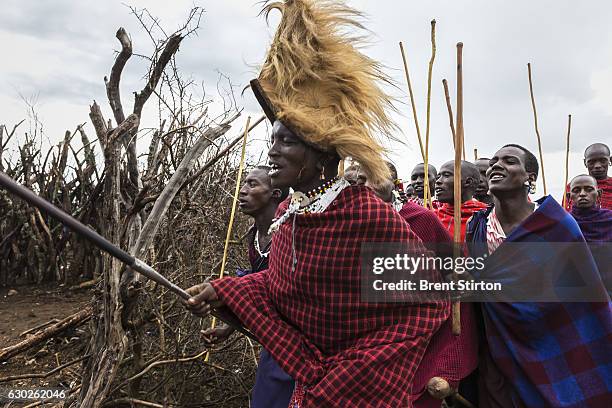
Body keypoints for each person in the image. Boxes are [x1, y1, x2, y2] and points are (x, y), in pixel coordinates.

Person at [185, 1, 449, 406]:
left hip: (358, 389)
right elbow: (280, 286)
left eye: (286, 141)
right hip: (310, 386)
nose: (272, 153)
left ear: (321, 154)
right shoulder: (292, 219)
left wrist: (359, 369)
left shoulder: (364, 212)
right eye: (272, 140)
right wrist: (224, 292)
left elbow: (430, 302)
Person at [465, 144, 611, 407]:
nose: (497, 165)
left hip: (554, 346)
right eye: (495, 161)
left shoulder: (557, 224)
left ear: (530, 178)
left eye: (509, 161)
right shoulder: (476, 226)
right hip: (498, 349)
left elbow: (576, 297)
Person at [202, 167, 293, 408]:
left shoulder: (291, 234)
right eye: (244, 184)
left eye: (252, 185)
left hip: (296, 344)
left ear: (274, 194)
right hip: (273, 344)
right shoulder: (254, 236)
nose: (242, 191)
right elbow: (255, 285)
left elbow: (273, 286)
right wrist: (228, 325)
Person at [567, 174, 612, 294]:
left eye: (589, 189)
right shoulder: (562, 222)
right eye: (576, 190)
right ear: (569, 196)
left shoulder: (609, 219)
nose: (582, 194)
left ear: (599, 194)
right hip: (574, 290)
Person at [433, 160, 488, 242]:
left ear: (468, 182)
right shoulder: (432, 217)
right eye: (438, 177)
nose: (438, 181)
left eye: (446, 175)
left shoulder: (487, 217)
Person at [565, 143, 612, 210]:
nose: (597, 166)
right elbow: (566, 214)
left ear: (610, 160)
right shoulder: (572, 187)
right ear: (585, 163)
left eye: (603, 161)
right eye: (591, 162)